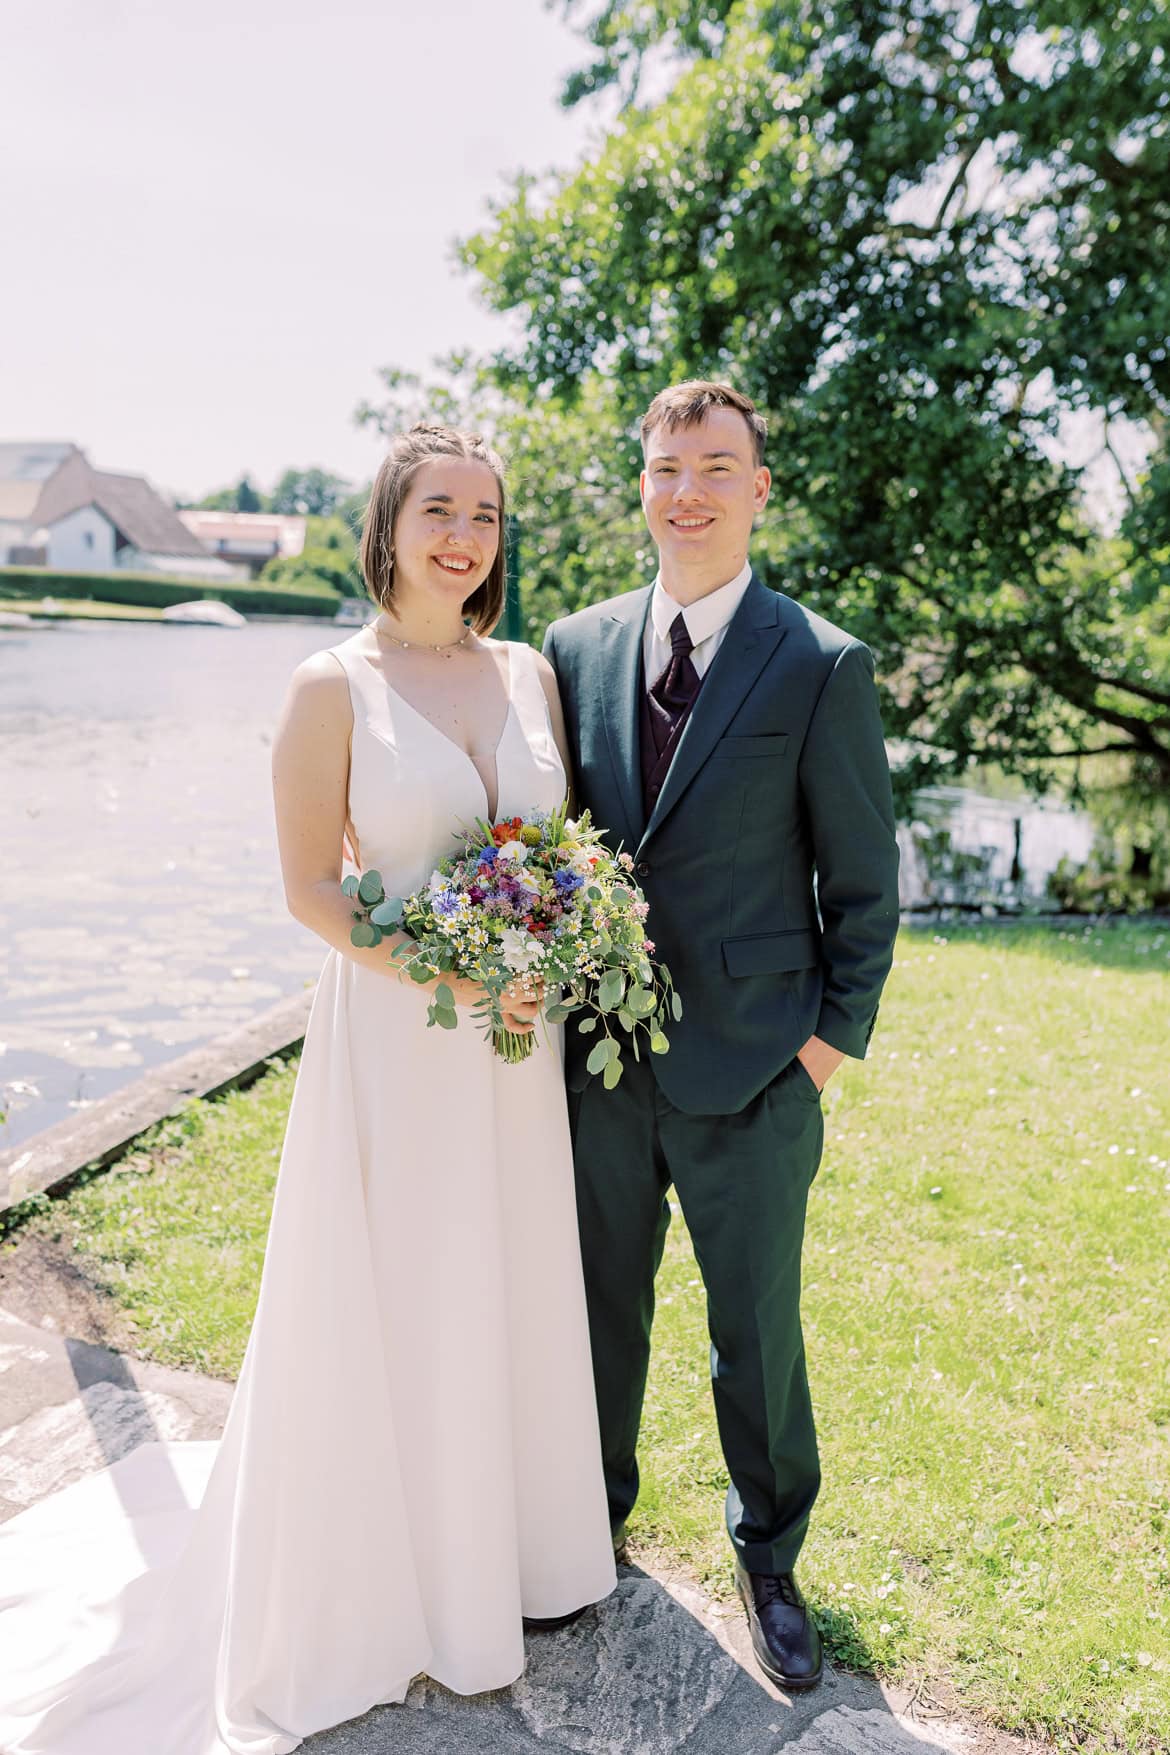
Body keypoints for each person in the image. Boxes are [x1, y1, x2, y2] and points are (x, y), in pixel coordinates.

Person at [0, 424, 615, 1754]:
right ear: (388, 524)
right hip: (397, 1045)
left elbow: (553, 855)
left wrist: (541, 957)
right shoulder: (329, 684)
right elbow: (309, 893)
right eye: (440, 509)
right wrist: (455, 971)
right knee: (397, 1285)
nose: (465, 537)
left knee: (498, 1276)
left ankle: (504, 1561)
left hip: (511, 1048)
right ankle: (386, 1591)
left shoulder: (526, 674)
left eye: (488, 518)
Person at [543, 380, 900, 1692]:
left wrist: (820, 1051)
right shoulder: (571, 650)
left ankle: (769, 1557)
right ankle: (588, 1529)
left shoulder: (817, 661)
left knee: (756, 1326)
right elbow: (549, 840)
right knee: (596, 1313)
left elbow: (863, 882)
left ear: (757, 489)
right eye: (661, 467)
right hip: (597, 1064)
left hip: (757, 1066)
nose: (683, 490)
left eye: (712, 467)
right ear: (639, 486)